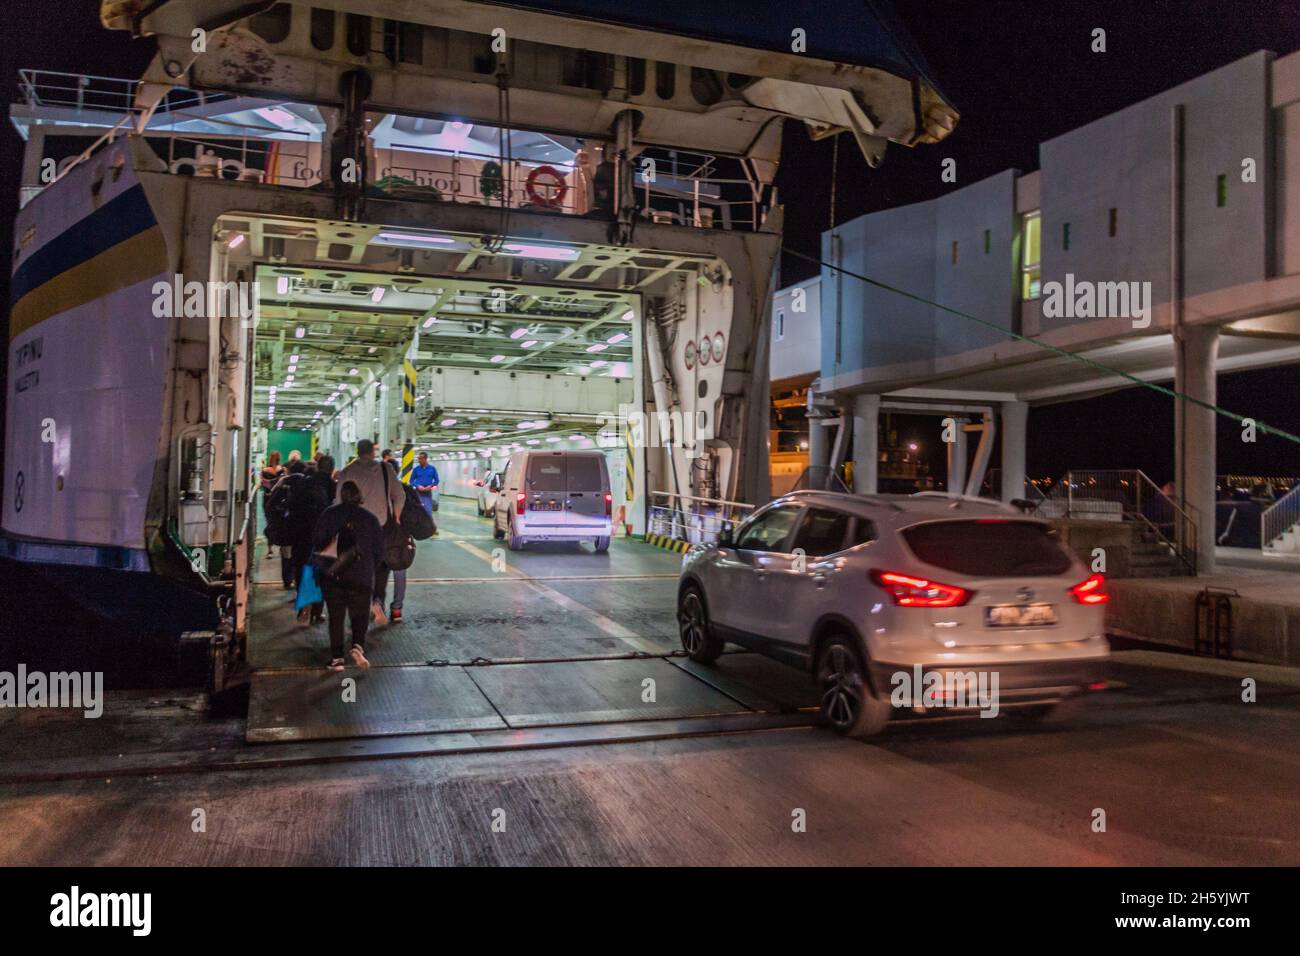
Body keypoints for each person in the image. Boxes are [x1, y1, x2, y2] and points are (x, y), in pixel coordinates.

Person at [312, 480, 383, 671]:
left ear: (341, 495)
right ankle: (358, 647)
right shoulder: (370, 518)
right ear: (359, 496)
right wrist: (369, 568)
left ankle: (337, 659)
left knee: (336, 616)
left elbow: (317, 542)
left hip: (334, 574)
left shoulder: (329, 514)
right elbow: (379, 551)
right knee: (359, 614)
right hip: (362, 576)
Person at [334, 438, 404, 625]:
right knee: (381, 568)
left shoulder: (348, 471)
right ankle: (377, 601)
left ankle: (358, 608)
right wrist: (396, 516)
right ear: (372, 452)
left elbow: (338, 503)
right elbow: (400, 496)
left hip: (355, 529)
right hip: (380, 527)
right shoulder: (385, 469)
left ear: (357, 451)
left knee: (357, 569)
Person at [288, 455, 336, 624]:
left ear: (318, 467)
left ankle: (304, 601)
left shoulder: (305, 482)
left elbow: (292, 505)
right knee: (322, 569)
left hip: (302, 533)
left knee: (304, 567)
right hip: (324, 535)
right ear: (331, 469)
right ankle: (317, 611)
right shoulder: (332, 486)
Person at [267, 459, 307, 589]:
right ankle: (298, 582)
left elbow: (271, 503)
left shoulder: (284, 483)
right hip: (303, 528)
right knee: (300, 557)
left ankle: (287, 580)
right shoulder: (308, 484)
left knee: (287, 554)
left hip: (286, 525)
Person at [385, 459, 409, 623]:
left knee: (378, 572)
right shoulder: (405, 489)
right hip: (400, 539)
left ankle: (375, 603)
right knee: (400, 572)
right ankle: (397, 609)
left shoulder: (377, 490)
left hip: (381, 535)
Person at [259, 451, 285, 557]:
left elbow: (262, 483)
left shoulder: (264, 471)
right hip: (279, 499)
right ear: (279, 458)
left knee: (269, 522)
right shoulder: (282, 470)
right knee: (280, 522)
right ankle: (281, 546)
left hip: (267, 499)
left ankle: (269, 549)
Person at [410, 451, 439, 516]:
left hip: (427, 493)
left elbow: (436, 481)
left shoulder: (432, 469)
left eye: (420, 458)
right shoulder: (416, 469)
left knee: (428, 511)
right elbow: (411, 481)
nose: (419, 460)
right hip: (418, 492)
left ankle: (428, 524)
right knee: (417, 511)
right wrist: (417, 486)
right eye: (418, 458)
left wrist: (430, 486)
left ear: (425, 459)